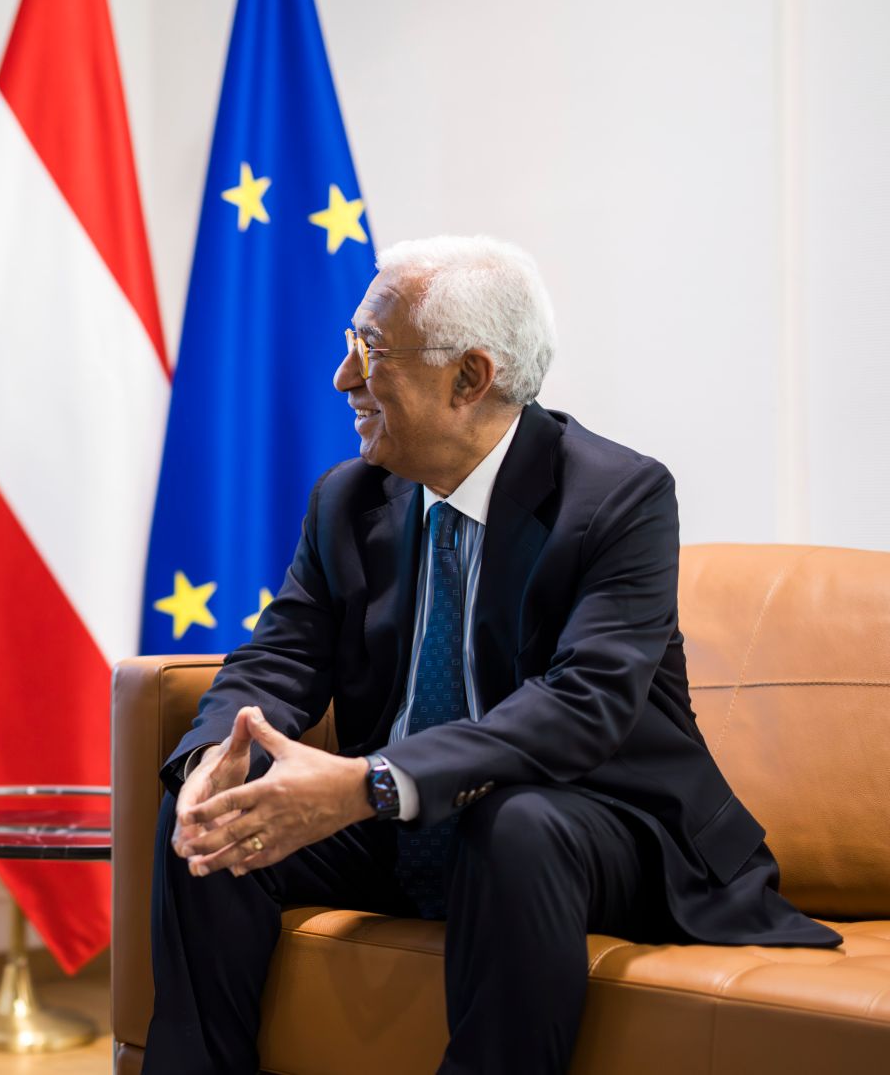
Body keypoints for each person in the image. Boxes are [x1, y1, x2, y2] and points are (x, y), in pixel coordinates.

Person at [144, 235, 836, 1074]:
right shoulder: (348, 498)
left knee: (513, 822)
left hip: (598, 822)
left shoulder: (619, 496)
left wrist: (372, 782)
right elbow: (277, 658)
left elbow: (583, 706)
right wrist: (218, 756)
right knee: (219, 818)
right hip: (407, 819)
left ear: (469, 378)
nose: (344, 377)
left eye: (371, 350)